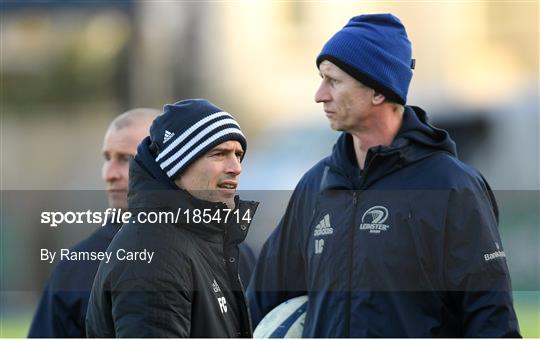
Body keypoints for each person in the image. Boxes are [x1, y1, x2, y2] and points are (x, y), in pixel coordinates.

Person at [246, 13, 520, 337]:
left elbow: (492, 322)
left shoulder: (452, 187)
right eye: (321, 78)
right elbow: (257, 304)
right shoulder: (315, 187)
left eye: (333, 81)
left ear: (377, 92)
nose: (320, 94)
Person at [86, 99, 258, 338]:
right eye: (219, 154)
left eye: (238, 154)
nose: (236, 167)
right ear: (177, 165)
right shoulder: (154, 253)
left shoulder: (204, 241)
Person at [28, 108, 159, 337]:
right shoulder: (76, 268)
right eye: (107, 158)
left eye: (126, 159)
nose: (109, 173)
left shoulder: (228, 254)